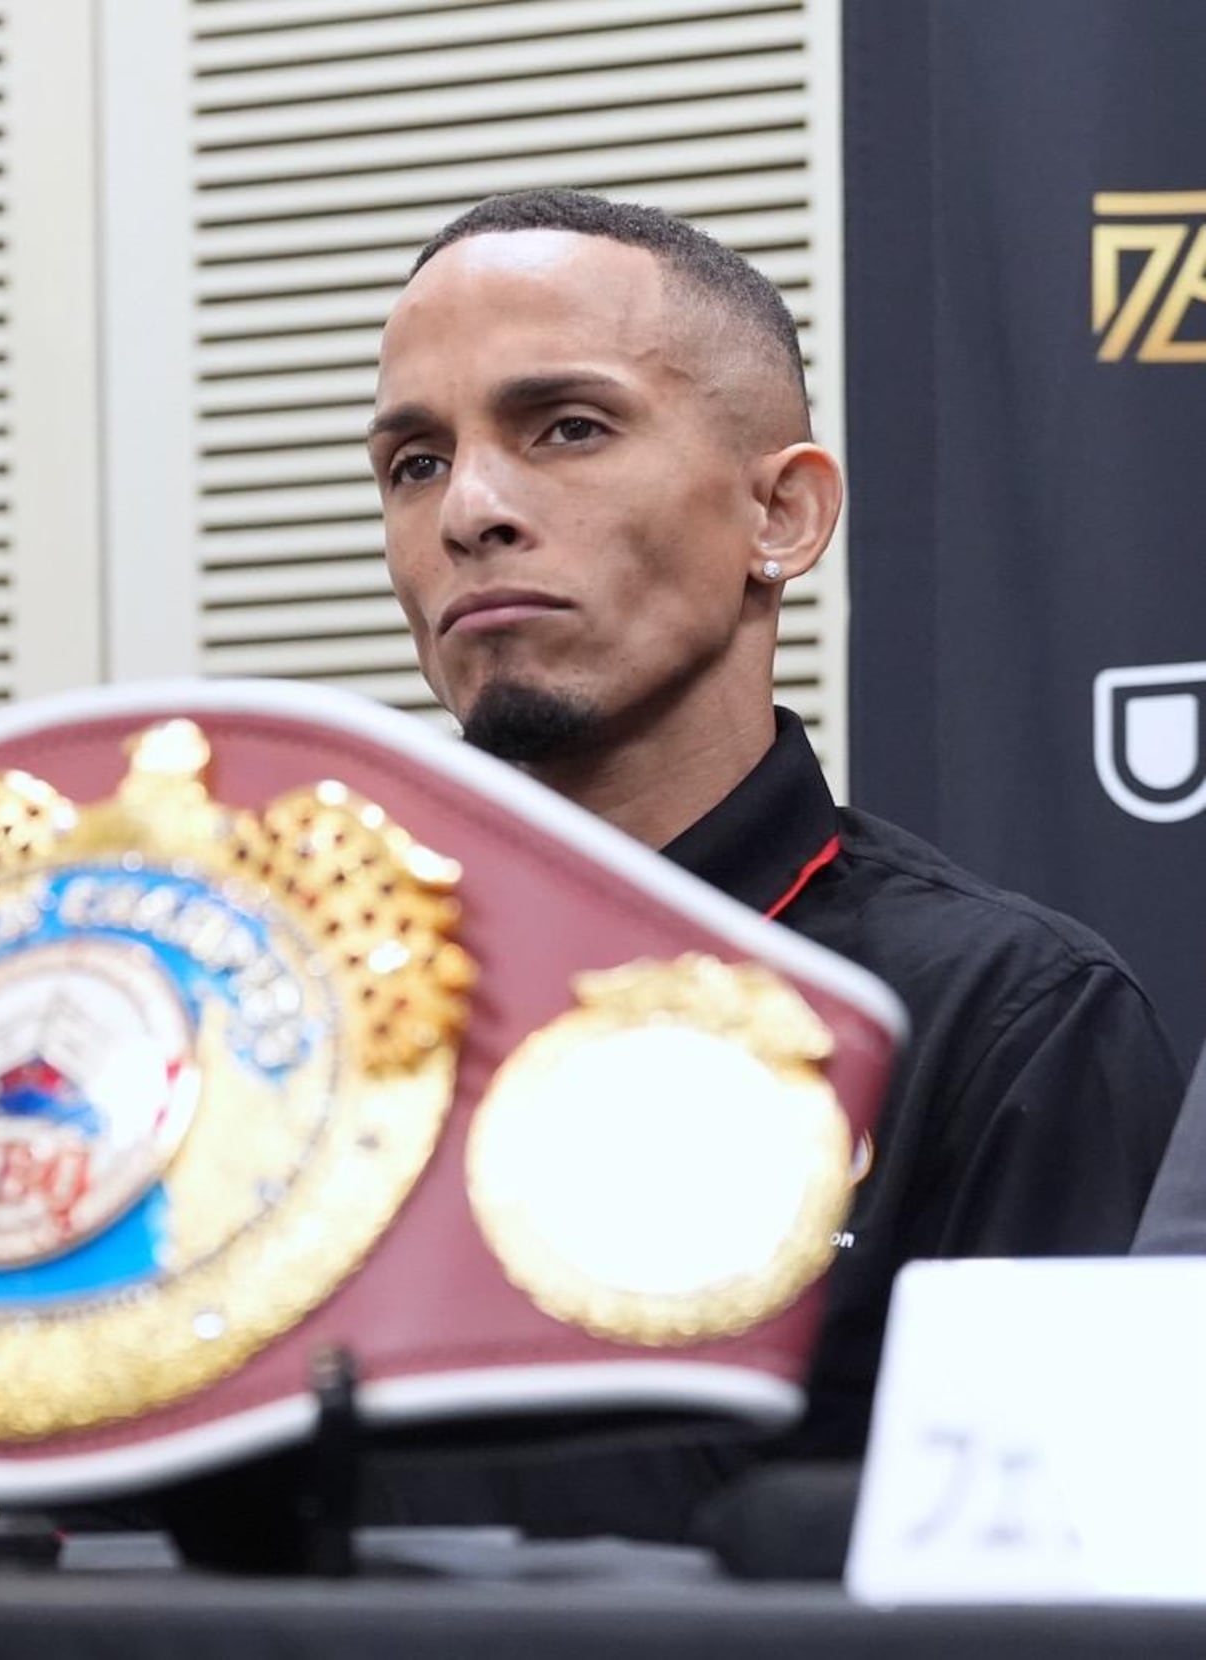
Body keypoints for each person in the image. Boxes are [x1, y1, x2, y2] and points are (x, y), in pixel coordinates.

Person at [363, 188, 1183, 1537]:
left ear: (784, 519)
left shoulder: (1007, 1019)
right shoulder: (309, 1004)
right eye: (415, 462)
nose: (474, 511)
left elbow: (1044, 1593)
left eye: (567, 428)